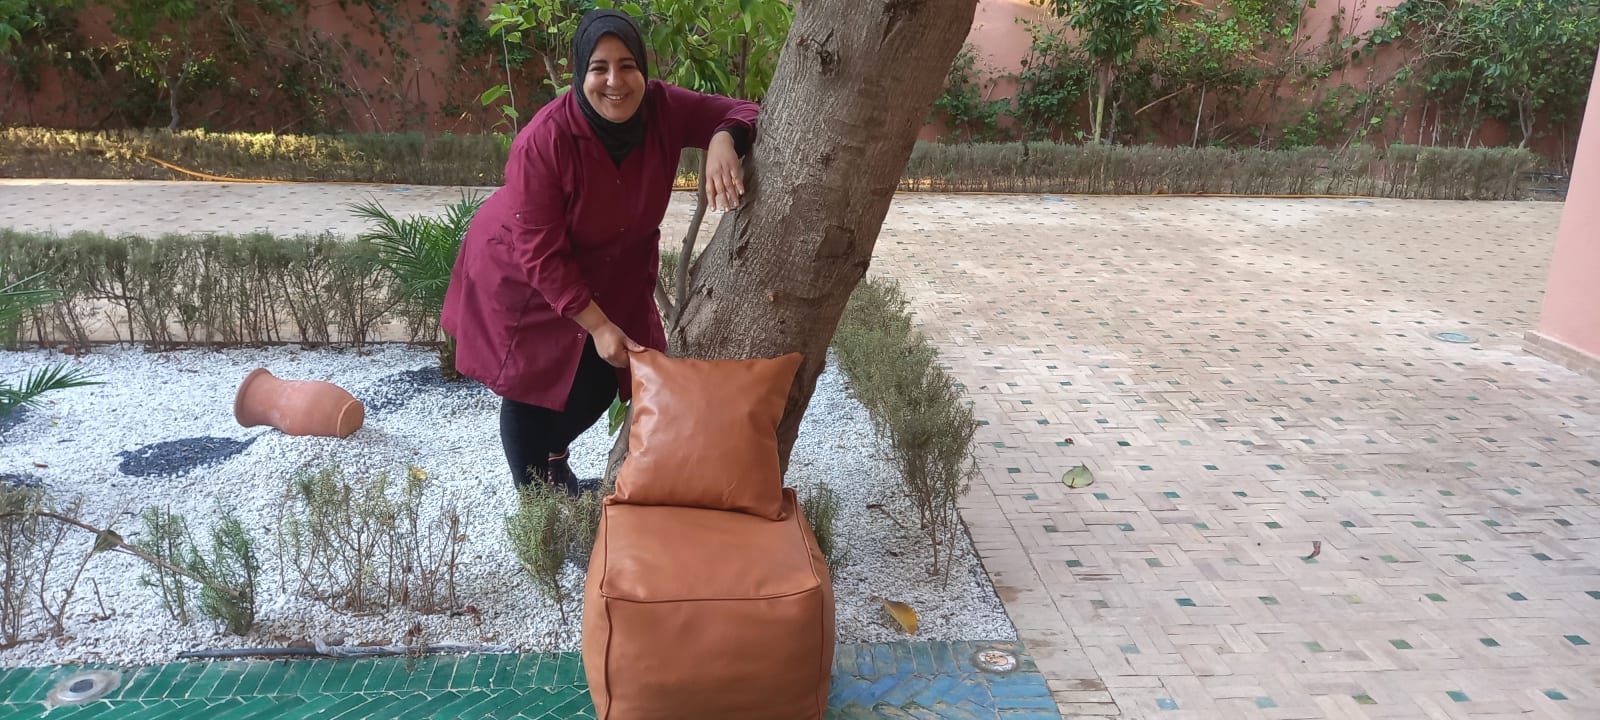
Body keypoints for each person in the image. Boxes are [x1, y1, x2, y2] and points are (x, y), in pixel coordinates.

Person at [441, 9, 759, 496]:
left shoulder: (663, 107)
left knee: (598, 381)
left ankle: (554, 463)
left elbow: (748, 110)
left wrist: (723, 137)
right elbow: (540, 254)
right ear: (579, 74)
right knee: (534, 387)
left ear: (644, 71)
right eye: (599, 68)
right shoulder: (543, 142)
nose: (616, 81)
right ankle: (540, 511)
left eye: (628, 65)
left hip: (611, 266)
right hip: (522, 267)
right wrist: (596, 324)